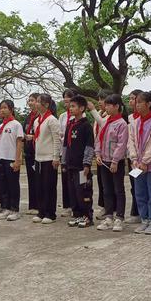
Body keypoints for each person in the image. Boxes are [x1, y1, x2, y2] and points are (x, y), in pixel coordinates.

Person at [128, 91, 151, 235]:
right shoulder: (134, 122)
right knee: (140, 193)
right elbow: (131, 142)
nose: (137, 105)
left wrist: (145, 161)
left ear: (148, 104)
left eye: (139, 102)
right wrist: (134, 159)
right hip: (138, 165)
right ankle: (144, 220)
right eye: (136, 103)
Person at [95, 94, 129, 232]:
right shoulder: (105, 121)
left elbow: (121, 144)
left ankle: (119, 217)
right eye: (106, 105)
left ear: (117, 106)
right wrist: (97, 154)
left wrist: (115, 161)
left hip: (116, 162)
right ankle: (108, 216)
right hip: (104, 160)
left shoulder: (122, 124)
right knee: (106, 189)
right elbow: (99, 138)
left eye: (109, 105)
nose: (106, 107)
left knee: (118, 189)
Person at [62, 95, 95, 228]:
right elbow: (65, 144)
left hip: (81, 167)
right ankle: (77, 215)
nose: (71, 108)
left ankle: (87, 216)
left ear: (82, 108)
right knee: (73, 191)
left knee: (84, 191)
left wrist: (87, 164)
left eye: (73, 106)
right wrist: (64, 161)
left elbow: (89, 146)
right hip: (70, 165)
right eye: (70, 106)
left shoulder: (86, 126)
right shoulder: (70, 124)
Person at [32, 94, 61, 224]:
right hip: (39, 158)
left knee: (49, 186)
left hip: (49, 158)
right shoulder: (37, 120)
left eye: (39, 102)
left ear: (47, 104)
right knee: (39, 186)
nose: (36, 104)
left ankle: (50, 213)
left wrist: (56, 157)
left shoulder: (52, 120)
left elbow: (56, 140)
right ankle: (41, 211)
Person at [0, 100, 23, 221]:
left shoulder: (16, 124)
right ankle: (6, 208)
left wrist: (17, 160)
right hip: (1, 158)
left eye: (5, 107)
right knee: (3, 185)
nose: (2, 110)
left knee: (13, 184)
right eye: (1, 108)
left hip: (11, 158)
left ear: (11, 109)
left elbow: (19, 142)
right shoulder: (1, 126)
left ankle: (15, 209)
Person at [88, 89, 114, 220]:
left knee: (111, 184)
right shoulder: (99, 113)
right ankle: (104, 206)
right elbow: (96, 133)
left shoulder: (109, 116)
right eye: (98, 99)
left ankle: (112, 209)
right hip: (100, 154)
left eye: (102, 99)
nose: (99, 102)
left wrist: (92, 110)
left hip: (110, 155)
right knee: (102, 182)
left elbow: (102, 124)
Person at [58, 89, 77, 217]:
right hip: (64, 150)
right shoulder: (63, 116)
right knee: (65, 179)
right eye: (65, 97)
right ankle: (67, 205)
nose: (66, 99)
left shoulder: (79, 116)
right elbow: (60, 132)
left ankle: (76, 205)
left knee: (75, 179)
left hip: (75, 151)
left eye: (69, 97)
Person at [125, 89, 142, 224]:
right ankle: (135, 212)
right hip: (132, 157)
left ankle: (145, 213)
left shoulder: (148, 117)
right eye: (129, 98)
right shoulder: (130, 117)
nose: (131, 101)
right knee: (134, 185)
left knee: (144, 186)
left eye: (133, 98)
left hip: (144, 158)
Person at [23, 93, 39, 215]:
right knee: (30, 179)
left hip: (38, 152)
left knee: (39, 179)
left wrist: (32, 137)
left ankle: (39, 205)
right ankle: (32, 205)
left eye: (32, 100)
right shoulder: (28, 117)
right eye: (29, 100)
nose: (30, 102)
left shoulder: (41, 117)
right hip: (28, 152)